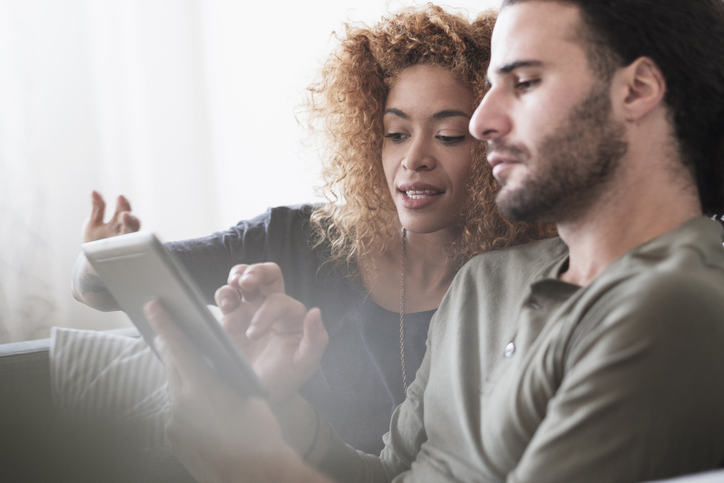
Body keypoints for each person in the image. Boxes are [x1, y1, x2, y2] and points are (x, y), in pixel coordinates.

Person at [144, 0, 724, 481]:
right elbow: (396, 475)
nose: (480, 122)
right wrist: (281, 414)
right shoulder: (482, 284)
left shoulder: (675, 306)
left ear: (638, 89)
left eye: (524, 82)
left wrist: (246, 461)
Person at [70, 5, 553, 455]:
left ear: (497, 141)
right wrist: (100, 258)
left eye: (449, 135)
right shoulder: (295, 239)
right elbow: (100, 288)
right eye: (396, 133)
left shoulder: (526, 282)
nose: (414, 158)